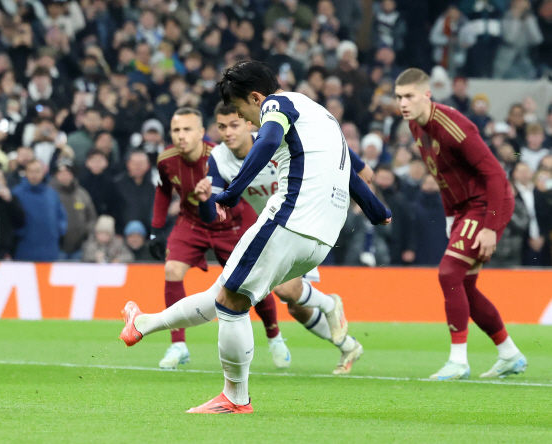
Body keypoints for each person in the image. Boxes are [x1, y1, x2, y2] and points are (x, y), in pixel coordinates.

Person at [124, 61, 389, 413]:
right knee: (224, 292)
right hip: (321, 237)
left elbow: (265, 141)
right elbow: (349, 174)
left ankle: (235, 397)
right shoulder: (322, 115)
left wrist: (233, 192)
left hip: (288, 219)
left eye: (244, 112)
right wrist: (376, 211)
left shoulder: (276, 105)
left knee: (231, 304)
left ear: (255, 96)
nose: (249, 122)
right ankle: (144, 324)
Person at [395, 68, 527, 381]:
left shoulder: (454, 126)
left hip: (487, 204)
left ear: (427, 95)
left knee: (448, 273)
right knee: (465, 285)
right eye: (399, 97)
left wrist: (490, 228)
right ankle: (510, 354)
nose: (403, 103)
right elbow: (441, 176)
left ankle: (458, 361)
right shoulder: (416, 125)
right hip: (465, 208)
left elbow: (496, 175)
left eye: (409, 96)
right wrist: (450, 218)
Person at [145, 107, 288, 370]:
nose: (181, 136)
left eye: (187, 129)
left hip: (230, 225)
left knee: (249, 283)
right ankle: (178, 345)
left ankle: (275, 336)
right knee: (172, 270)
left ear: (201, 132)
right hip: (190, 223)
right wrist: (156, 228)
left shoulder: (220, 157)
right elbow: (164, 191)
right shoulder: (166, 160)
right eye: (176, 130)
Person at [12, 159, 67, 262]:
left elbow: (61, 216)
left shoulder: (52, 194)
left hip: (50, 250)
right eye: (31, 171)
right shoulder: (17, 194)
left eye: (37, 171)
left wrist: (58, 230)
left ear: (43, 172)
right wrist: (20, 233)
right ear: (26, 173)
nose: (34, 175)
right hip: (24, 249)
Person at [51, 159, 97, 260]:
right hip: (57, 247)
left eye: (67, 173)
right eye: (61, 173)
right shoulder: (50, 194)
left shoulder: (82, 193)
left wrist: (87, 234)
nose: (64, 176)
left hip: (79, 247)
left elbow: (91, 217)